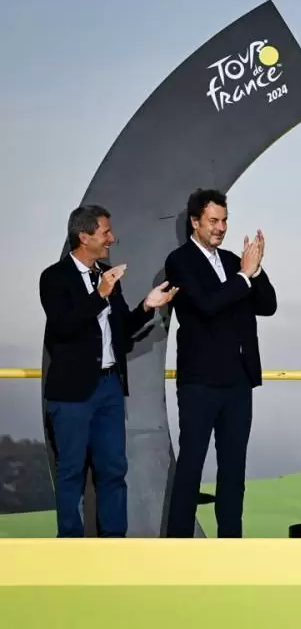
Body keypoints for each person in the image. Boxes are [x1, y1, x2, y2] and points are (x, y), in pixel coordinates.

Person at [40, 205, 178, 537]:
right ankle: (70, 545)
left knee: (114, 470)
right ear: (84, 236)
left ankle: (114, 543)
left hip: (109, 388)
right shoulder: (54, 277)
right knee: (71, 471)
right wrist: (99, 295)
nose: (112, 239)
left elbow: (121, 331)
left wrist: (146, 306)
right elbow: (64, 327)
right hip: (71, 393)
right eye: (105, 233)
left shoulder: (107, 276)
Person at [164, 189, 277, 538]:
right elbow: (206, 306)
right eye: (213, 220)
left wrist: (256, 271)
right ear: (195, 222)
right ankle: (178, 543)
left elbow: (268, 305)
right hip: (199, 381)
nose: (221, 227)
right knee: (191, 465)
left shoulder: (231, 260)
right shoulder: (180, 261)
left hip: (238, 381)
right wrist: (244, 276)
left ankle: (231, 543)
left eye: (225, 220)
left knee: (233, 469)